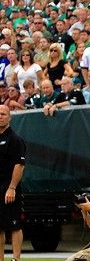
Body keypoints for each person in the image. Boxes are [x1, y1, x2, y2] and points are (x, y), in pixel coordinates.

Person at [0, 105, 26, 261]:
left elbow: (19, 164)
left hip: (9, 188)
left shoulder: (15, 139)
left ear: (9, 117)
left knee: (14, 225)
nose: (0, 116)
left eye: (3, 114)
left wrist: (12, 188)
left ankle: (16, 259)